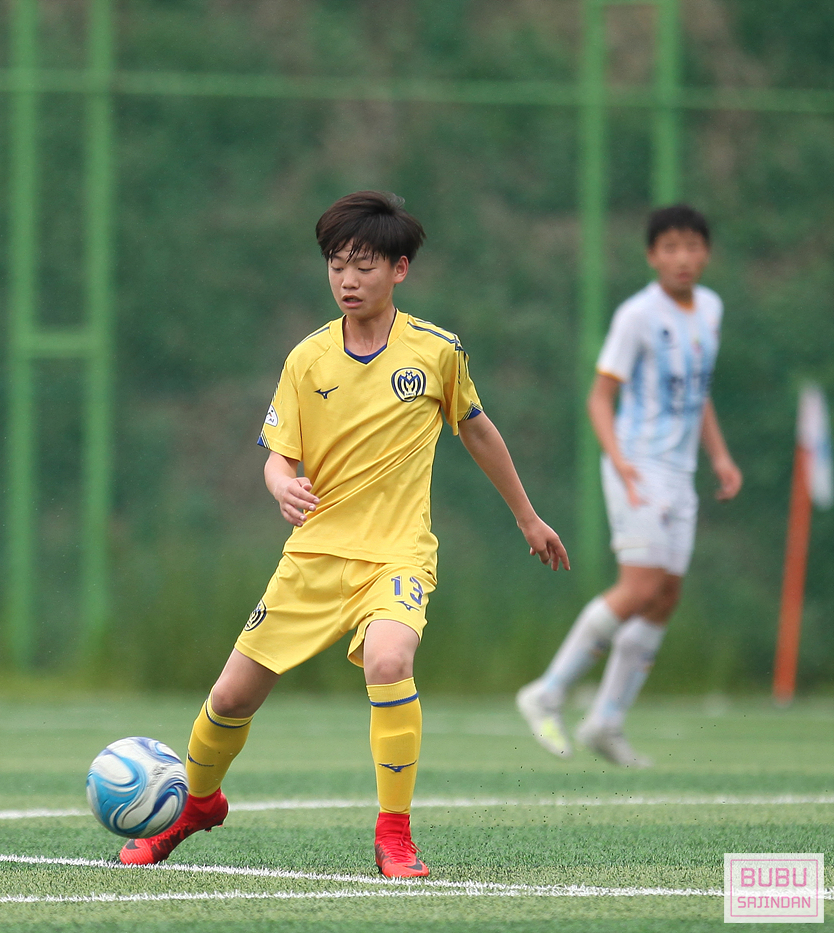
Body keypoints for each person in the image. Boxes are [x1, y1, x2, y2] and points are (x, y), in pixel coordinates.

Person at [118, 191, 569, 878]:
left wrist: (527, 516)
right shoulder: (307, 359)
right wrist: (281, 485)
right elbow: (278, 457)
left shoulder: (437, 351)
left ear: (400, 269)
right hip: (314, 556)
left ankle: (395, 834)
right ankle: (197, 806)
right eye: (336, 265)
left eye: (364, 265)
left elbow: (477, 429)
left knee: (389, 661)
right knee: (230, 698)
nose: (348, 280)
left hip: (396, 555)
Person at [516, 204, 741, 768]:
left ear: (706, 253)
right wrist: (620, 462)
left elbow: (698, 393)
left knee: (666, 595)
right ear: (652, 256)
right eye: (671, 247)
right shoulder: (637, 316)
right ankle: (547, 692)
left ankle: (606, 722)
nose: (683, 258)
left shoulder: (710, 309)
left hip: (680, 475)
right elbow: (599, 398)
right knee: (640, 587)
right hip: (638, 467)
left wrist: (719, 456)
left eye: (693, 246)